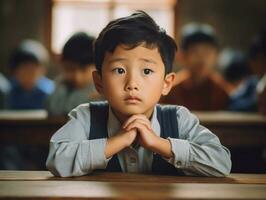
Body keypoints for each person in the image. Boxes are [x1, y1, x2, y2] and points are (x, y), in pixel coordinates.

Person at [46, 11, 231, 177]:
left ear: (166, 83)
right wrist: (116, 141)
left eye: (147, 71)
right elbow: (56, 160)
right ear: (99, 82)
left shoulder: (179, 118)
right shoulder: (86, 117)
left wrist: (159, 144)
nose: (132, 84)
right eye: (119, 70)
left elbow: (221, 162)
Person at [161, 23, 229, 111]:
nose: (201, 58)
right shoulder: (171, 90)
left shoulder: (222, 90)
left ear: (216, 56)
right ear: (182, 56)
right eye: (195, 51)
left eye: (207, 52)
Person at [46, 32, 102, 115]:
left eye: (83, 70)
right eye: (70, 69)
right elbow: (52, 108)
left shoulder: (102, 88)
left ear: (97, 66)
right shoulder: (61, 84)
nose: (77, 77)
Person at [6, 40, 54, 110]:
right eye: (24, 69)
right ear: (15, 71)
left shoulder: (50, 92)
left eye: (32, 69)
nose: (28, 74)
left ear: (42, 70)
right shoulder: (8, 91)